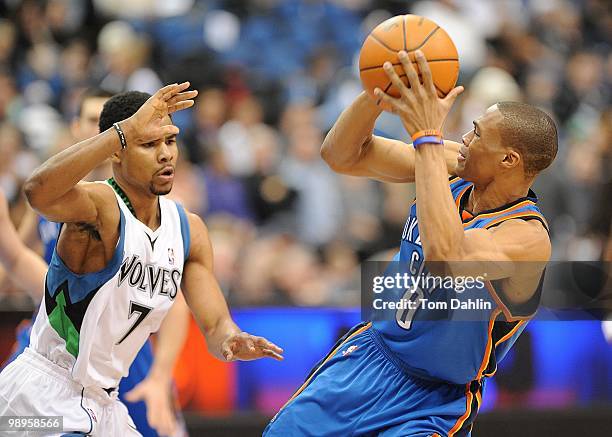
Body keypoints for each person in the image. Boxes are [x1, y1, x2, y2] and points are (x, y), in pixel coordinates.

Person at [265, 50, 555, 436]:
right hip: (370, 359)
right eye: (469, 127)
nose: (464, 139)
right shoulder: (456, 164)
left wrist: (428, 137)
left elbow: (445, 255)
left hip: (433, 401)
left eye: (477, 135)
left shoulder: (528, 238)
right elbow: (341, 155)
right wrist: (377, 90)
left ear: (508, 160)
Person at [0, 82, 283, 436]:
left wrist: (231, 338)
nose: (165, 154)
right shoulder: (98, 206)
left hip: (104, 403)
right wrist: (121, 132)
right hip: (44, 397)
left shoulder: (188, 229)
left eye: (170, 141)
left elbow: (214, 325)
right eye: (149, 144)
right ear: (117, 151)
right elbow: (37, 192)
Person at [5, 87, 190, 437]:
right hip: (60, 345)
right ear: (78, 127)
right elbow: (16, 257)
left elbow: (175, 299)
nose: (100, 131)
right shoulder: (52, 197)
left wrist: (163, 374)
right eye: (93, 121)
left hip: (122, 360)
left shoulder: (152, 206)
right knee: (14, 422)